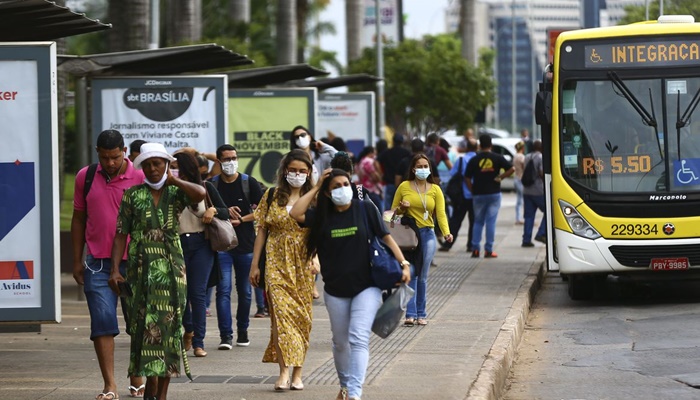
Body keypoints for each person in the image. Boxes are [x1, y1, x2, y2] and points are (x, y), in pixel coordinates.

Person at [289, 168, 411, 400]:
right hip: (335, 290)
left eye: (346, 184)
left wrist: (403, 263)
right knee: (340, 342)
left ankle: (354, 393)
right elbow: (295, 213)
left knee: (358, 337)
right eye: (336, 186)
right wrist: (315, 187)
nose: (343, 189)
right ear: (327, 193)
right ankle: (345, 386)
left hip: (367, 285)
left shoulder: (365, 209)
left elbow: (386, 236)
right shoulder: (321, 216)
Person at [109, 143, 206, 400]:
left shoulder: (176, 192)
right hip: (139, 271)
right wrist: (114, 270)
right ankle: (149, 389)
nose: (153, 169)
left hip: (171, 272)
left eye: (158, 163)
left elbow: (200, 194)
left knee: (168, 332)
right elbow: (121, 235)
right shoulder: (132, 195)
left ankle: (160, 394)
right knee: (143, 331)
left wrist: (174, 180)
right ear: (142, 167)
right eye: (148, 164)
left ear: (166, 165)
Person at [71, 129, 145, 400]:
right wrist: (76, 260)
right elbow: (79, 218)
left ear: (124, 151)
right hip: (97, 263)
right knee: (102, 323)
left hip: (134, 262)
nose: (110, 163)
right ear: (97, 154)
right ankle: (110, 384)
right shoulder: (86, 176)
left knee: (137, 321)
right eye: (105, 158)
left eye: (115, 157)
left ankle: (137, 375)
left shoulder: (140, 176)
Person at [249, 149, 316, 391]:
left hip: (303, 264)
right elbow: (262, 231)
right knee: (280, 318)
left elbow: (319, 232)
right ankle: (283, 371)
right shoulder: (271, 195)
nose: (297, 174)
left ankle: (298, 373)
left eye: (302, 171)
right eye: (293, 170)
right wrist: (255, 264)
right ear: (284, 171)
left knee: (301, 319)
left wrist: (317, 258)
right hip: (275, 261)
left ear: (308, 173)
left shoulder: (314, 198)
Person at [173, 151, 229, 358]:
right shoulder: (168, 189)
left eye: (177, 167)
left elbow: (224, 211)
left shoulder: (205, 187)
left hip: (201, 244)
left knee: (197, 293)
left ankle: (199, 342)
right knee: (181, 294)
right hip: (176, 243)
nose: (173, 171)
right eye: (171, 167)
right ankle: (188, 329)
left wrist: (212, 211)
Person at [209, 144, 264, 349]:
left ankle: (243, 330)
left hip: (246, 245)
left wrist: (243, 219)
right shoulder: (212, 184)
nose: (231, 162)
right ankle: (226, 336)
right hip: (222, 245)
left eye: (234, 158)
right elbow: (205, 210)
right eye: (226, 159)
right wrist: (222, 211)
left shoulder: (249, 182)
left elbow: (263, 211)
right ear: (219, 162)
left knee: (245, 291)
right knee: (223, 291)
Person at [392, 154, 452, 326]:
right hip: (410, 236)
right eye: (420, 166)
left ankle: (421, 313)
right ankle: (410, 314)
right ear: (413, 169)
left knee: (422, 275)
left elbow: (440, 214)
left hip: (427, 234)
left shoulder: (435, 189)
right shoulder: (404, 186)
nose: (423, 169)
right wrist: (401, 209)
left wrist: (447, 233)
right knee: (412, 273)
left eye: (426, 166)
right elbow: (391, 215)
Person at [465, 134, 515, 258]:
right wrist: (500, 177)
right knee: (490, 222)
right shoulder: (498, 157)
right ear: (491, 145)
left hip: (478, 194)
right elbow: (512, 169)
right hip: (494, 193)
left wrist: (472, 189)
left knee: (477, 222)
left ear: (480, 145)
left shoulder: (474, 159)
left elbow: (466, 177)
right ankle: (488, 250)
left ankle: (475, 249)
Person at [439, 138, 478, 252]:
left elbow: (452, 173)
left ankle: (448, 244)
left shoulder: (461, 160)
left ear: (466, 148)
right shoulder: (478, 160)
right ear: (476, 148)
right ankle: (471, 245)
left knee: (456, 220)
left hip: (461, 196)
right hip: (475, 196)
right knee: (474, 221)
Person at [522, 139, 547, 247]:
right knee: (549, 211)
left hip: (527, 190)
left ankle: (526, 240)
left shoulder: (527, 156)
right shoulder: (540, 157)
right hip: (538, 191)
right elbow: (541, 172)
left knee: (528, 216)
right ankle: (541, 233)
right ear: (541, 148)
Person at [376, 133, 410, 211]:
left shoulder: (387, 152)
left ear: (393, 141)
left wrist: (381, 173)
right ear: (402, 142)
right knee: (403, 206)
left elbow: (376, 161)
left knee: (388, 207)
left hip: (389, 182)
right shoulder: (406, 152)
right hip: (403, 184)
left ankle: (388, 222)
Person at [356, 146, 384, 211]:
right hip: (372, 190)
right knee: (378, 213)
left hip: (363, 189)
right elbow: (376, 178)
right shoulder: (369, 162)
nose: (375, 155)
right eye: (374, 153)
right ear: (371, 153)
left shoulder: (360, 161)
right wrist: (379, 171)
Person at [513, 141, 526, 225]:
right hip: (521, 179)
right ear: (522, 148)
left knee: (519, 199)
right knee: (523, 200)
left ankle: (518, 217)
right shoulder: (522, 157)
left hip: (516, 178)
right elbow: (524, 167)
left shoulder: (515, 156)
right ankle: (523, 218)